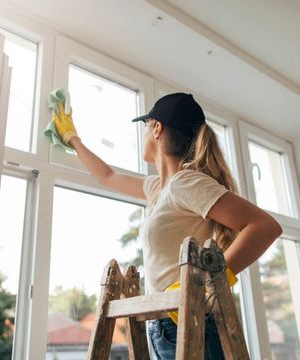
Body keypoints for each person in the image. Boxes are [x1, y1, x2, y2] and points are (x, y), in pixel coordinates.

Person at [53, 92, 282, 359]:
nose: (143, 134)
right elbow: (108, 175)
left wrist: (210, 283)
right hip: (165, 323)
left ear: (156, 128)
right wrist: (72, 138)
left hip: (191, 321)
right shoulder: (157, 188)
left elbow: (265, 226)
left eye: (145, 127)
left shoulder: (186, 183)